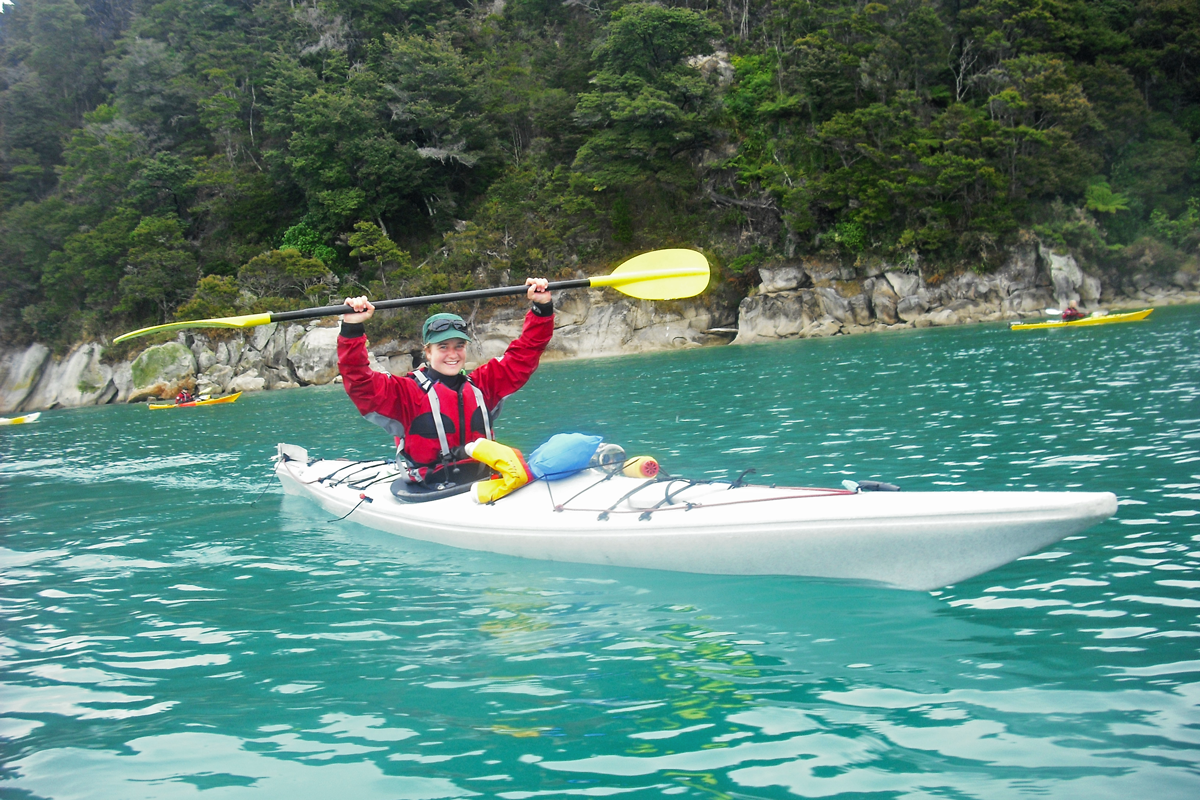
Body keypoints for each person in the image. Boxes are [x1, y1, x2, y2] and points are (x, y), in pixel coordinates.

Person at [338, 278, 554, 484]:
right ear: (428, 352)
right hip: (431, 488)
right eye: (443, 347)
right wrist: (352, 329)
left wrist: (541, 309)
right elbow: (359, 381)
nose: (453, 354)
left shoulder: (484, 384)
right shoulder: (404, 393)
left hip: (485, 482)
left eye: (459, 346)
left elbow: (526, 352)